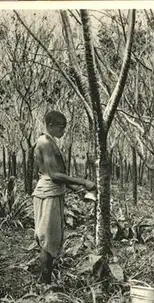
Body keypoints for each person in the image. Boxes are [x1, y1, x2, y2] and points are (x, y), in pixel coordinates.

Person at [33, 111, 96, 284]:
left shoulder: (50, 142)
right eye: (61, 126)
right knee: (47, 241)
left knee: (51, 239)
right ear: (50, 125)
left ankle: (45, 281)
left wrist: (78, 189)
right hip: (49, 193)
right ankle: (44, 285)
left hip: (53, 192)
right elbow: (53, 174)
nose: (63, 130)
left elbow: (57, 176)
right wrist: (83, 182)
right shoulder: (45, 142)